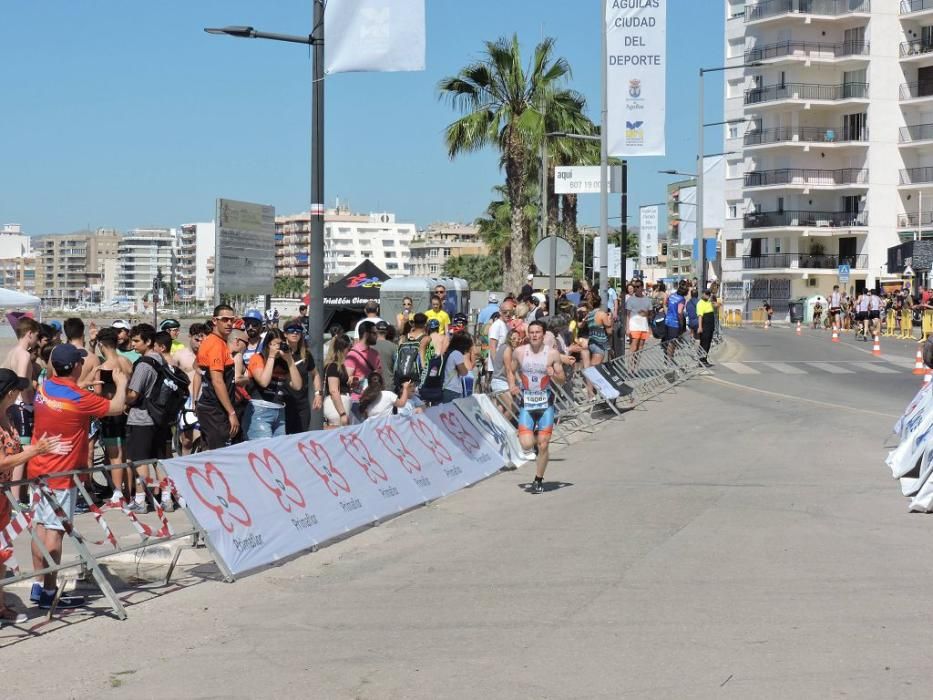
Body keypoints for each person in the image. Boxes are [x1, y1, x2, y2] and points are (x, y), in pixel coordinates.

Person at [29, 343, 127, 609]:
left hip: (38, 467)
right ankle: (49, 594)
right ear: (75, 366)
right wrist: (121, 381)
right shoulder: (80, 399)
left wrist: (80, 385)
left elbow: (66, 396)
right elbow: (117, 407)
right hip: (61, 473)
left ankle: (37, 587)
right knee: (54, 533)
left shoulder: (46, 387)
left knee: (39, 527)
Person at [0, 369, 58, 625]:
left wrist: (36, 450)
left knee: (2, 552)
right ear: (11, 392)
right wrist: (34, 451)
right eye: (18, 389)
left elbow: (14, 450)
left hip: (3, 498)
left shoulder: (7, 416)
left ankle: (1, 606)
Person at [508, 320, 565, 494]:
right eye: (531, 332)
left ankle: (538, 479)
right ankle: (534, 440)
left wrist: (554, 374)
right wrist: (512, 384)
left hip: (545, 404)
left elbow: (562, 379)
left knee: (544, 444)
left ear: (543, 335)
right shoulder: (519, 352)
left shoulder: (552, 354)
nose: (534, 335)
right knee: (526, 444)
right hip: (527, 404)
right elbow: (511, 369)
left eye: (537, 332)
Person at [124, 329, 176, 514]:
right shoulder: (162, 360)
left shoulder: (144, 365)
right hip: (160, 418)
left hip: (142, 418)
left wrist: (122, 385)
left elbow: (133, 395)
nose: (134, 344)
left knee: (140, 460)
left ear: (148, 341)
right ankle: (166, 498)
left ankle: (141, 499)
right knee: (160, 460)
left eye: (137, 341)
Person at [94, 329, 134, 505]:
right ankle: (128, 492)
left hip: (110, 413)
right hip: (126, 412)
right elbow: (132, 387)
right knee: (126, 455)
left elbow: (97, 395)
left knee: (114, 456)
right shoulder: (126, 362)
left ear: (102, 345)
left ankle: (117, 493)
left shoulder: (101, 368)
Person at [243, 328, 303, 440]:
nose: (278, 347)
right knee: (262, 450)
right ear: (267, 345)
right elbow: (264, 382)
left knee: (277, 451)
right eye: (275, 344)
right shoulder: (257, 358)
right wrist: (271, 357)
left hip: (279, 412)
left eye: (281, 344)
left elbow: (297, 386)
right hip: (260, 410)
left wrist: (289, 360)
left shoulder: (284, 362)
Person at [196, 304, 239, 450]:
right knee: (220, 456)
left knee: (209, 453)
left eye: (231, 320)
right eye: (224, 319)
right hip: (215, 410)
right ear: (215, 321)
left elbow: (197, 367)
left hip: (208, 406)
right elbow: (217, 381)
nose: (229, 323)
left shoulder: (213, 341)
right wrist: (231, 412)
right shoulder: (215, 344)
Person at [282, 320, 322, 435]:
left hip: (302, 405)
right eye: (291, 331)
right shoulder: (280, 353)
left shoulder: (305, 354)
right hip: (284, 403)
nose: (295, 333)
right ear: (285, 334)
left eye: (298, 331)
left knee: (301, 438)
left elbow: (315, 374)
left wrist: (318, 393)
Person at [345, 321, 383, 407]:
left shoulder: (375, 353)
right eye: (374, 333)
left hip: (374, 399)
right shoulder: (352, 354)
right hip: (358, 401)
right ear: (366, 334)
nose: (377, 336)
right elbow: (347, 380)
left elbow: (379, 376)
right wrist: (359, 379)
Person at [323, 334, 352, 428]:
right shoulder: (333, 367)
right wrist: (342, 413)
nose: (349, 351)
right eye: (349, 348)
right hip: (337, 408)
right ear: (344, 349)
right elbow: (334, 390)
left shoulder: (338, 366)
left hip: (340, 405)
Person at [487, 302, 513, 395]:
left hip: (503, 367)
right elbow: (492, 347)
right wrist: (496, 367)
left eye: (510, 312)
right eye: (505, 312)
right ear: (500, 312)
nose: (508, 314)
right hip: (496, 369)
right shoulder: (496, 325)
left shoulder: (506, 325)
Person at [441, 333, 474, 404]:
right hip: (453, 389)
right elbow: (464, 372)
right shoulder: (457, 354)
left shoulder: (448, 352)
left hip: (445, 388)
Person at [625, 280, 653, 356]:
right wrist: (627, 328)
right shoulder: (630, 299)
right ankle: (630, 368)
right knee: (633, 348)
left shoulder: (647, 299)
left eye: (637, 287)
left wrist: (646, 314)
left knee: (640, 349)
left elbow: (651, 314)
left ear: (642, 287)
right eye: (634, 287)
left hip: (644, 327)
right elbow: (627, 315)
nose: (635, 288)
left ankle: (635, 367)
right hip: (634, 327)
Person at [585, 295, 612, 366]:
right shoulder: (602, 314)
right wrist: (610, 319)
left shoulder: (590, 314)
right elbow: (609, 331)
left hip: (591, 342)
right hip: (600, 343)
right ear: (600, 303)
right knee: (595, 366)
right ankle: (588, 377)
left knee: (594, 365)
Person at [664, 280, 688, 359]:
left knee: (667, 342)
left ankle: (667, 359)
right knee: (672, 342)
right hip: (674, 323)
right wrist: (681, 323)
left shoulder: (672, 295)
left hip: (667, 320)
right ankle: (669, 360)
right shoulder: (681, 299)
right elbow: (679, 312)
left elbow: (666, 304)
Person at [374, 320, 397, 389]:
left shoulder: (369, 346)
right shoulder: (394, 347)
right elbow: (396, 367)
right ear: (387, 332)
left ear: (375, 330)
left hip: (372, 384)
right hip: (389, 384)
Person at [696, 289, 716, 367]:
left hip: (710, 325)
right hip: (705, 325)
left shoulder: (709, 301)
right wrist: (700, 327)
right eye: (706, 294)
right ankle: (701, 360)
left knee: (708, 343)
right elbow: (700, 316)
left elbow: (717, 305)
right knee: (704, 343)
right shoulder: (700, 303)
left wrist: (713, 300)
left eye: (709, 294)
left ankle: (705, 359)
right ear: (703, 294)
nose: (707, 295)